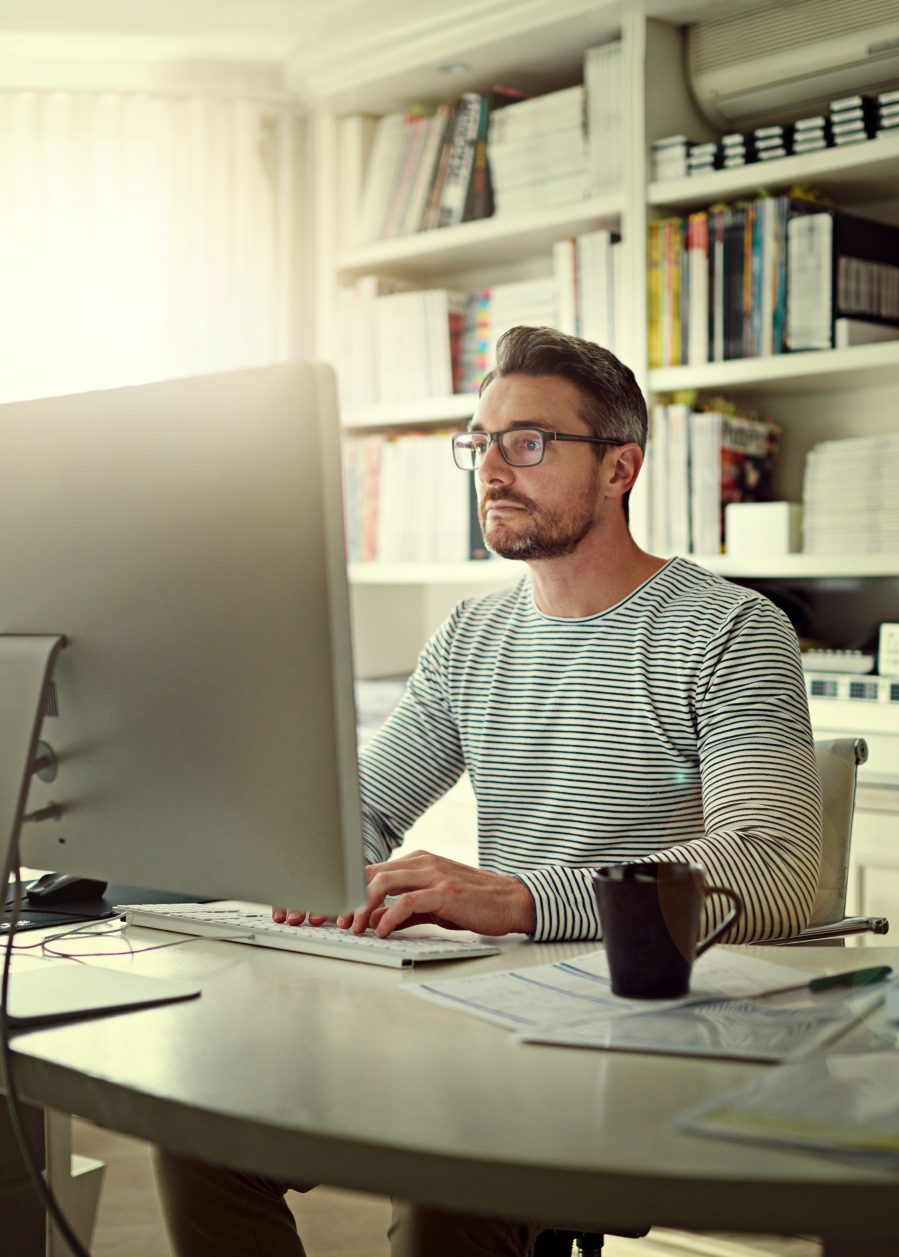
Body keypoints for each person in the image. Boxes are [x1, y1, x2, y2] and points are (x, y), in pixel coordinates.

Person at [154, 326, 822, 1257]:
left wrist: (517, 899)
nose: (492, 469)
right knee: (201, 1130)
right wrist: (302, 850)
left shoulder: (730, 629)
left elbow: (775, 867)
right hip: (488, 1010)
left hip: (640, 1028)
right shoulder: (472, 636)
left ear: (620, 467)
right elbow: (361, 811)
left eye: (530, 441)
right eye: (481, 442)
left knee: (447, 1185)